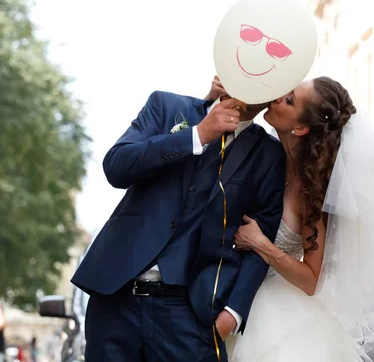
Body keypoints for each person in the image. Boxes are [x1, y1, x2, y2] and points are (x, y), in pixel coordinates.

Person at [72, 76, 286, 361]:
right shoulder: (167, 106)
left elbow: (262, 240)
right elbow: (116, 166)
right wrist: (196, 135)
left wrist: (232, 315)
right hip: (115, 300)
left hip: (191, 312)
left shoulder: (269, 155)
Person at [226, 77, 374, 361]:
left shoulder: (314, 192)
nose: (277, 97)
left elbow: (312, 280)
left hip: (276, 318)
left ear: (300, 128)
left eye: (289, 99)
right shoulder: (264, 157)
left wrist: (262, 244)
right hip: (229, 296)